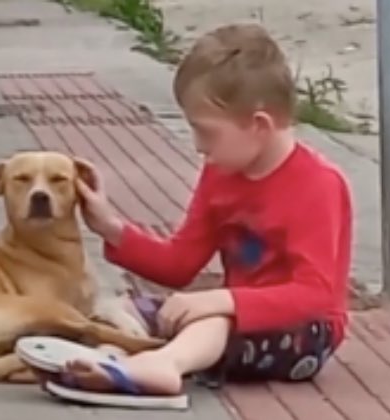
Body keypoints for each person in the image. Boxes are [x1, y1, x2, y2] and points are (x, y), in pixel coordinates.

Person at [62, 22, 353, 396]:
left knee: (212, 318)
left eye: (206, 131)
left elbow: (316, 294)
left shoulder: (318, 184)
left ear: (258, 126)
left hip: (306, 334)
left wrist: (221, 300)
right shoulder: (221, 174)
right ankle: (112, 359)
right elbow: (180, 263)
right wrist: (111, 228)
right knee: (130, 310)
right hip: (231, 318)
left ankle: (165, 365)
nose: (199, 146)